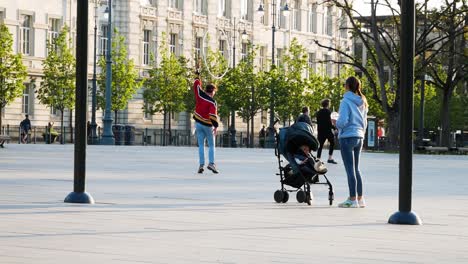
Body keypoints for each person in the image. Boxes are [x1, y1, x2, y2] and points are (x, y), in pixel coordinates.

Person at [336, 76, 368, 208]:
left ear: (347, 86)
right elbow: (364, 122)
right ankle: (360, 198)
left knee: (350, 169)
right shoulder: (363, 102)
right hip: (359, 136)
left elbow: (342, 121)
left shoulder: (345, 101)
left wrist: (336, 124)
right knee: (356, 168)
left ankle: (352, 199)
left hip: (348, 136)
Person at [193, 74, 219, 174]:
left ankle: (201, 165)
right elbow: (213, 115)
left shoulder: (200, 95)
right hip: (208, 125)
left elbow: (196, 86)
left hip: (198, 123)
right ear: (212, 91)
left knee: (201, 145)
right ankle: (211, 163)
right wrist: (215, 126)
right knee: (212, 145)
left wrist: (197, 75)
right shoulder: (212, 102)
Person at [316, 99, 338, 164]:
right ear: (328, 104)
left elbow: (318, 122)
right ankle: (330, 158)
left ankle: (318, 158)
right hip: (327, 131)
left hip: (320, 131)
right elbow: (329, 123)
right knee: (332, 142)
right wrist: (335, 128)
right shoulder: (328, 112)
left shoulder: (318, 112)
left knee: (320, 145)